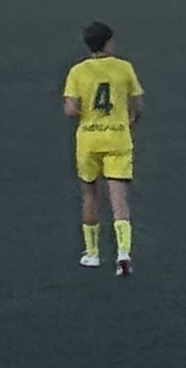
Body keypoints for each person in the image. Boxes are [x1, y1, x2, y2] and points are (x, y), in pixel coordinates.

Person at [61, 18, 145, 273]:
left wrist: (85, 115)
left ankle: (92, 253)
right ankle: (123, 253)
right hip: (117, 138)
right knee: (118, 198)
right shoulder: (124, 68)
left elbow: (71, 109)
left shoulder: (77, 71)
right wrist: (131, 118)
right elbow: (137, 103)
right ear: (108, 42)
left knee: (90, 196)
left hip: (88, 140)